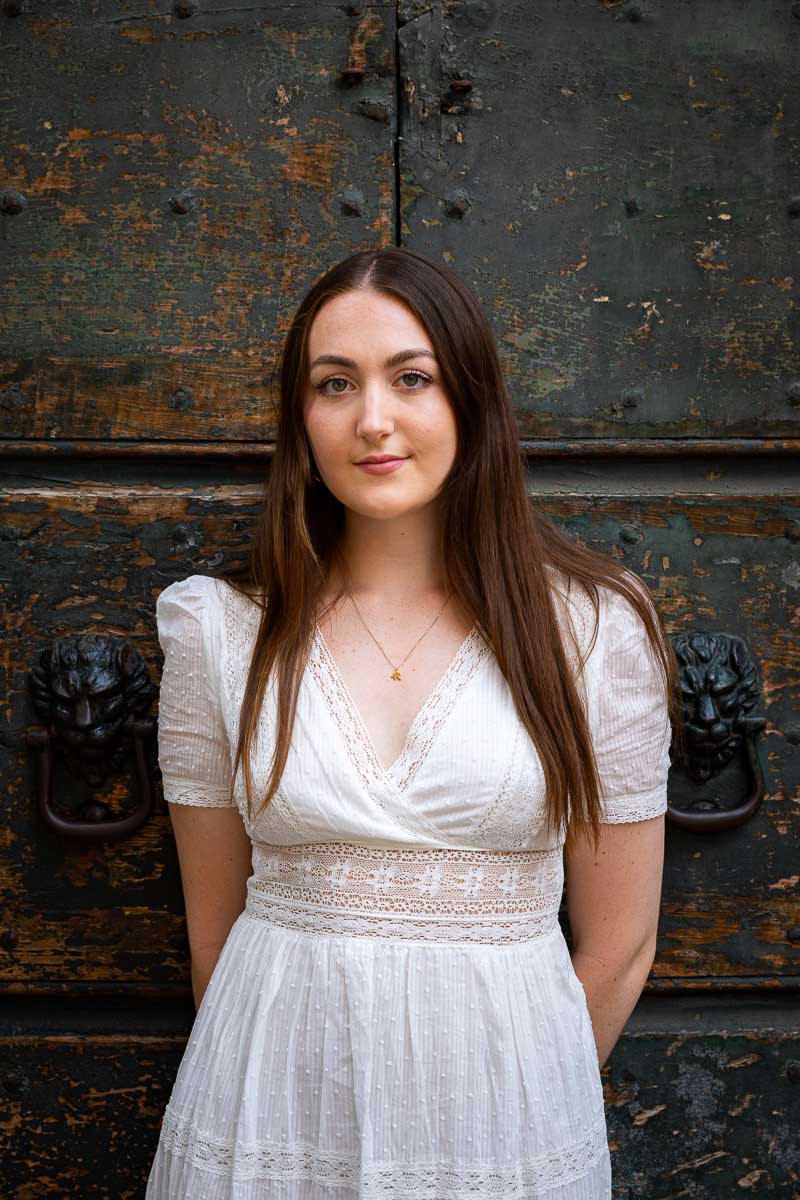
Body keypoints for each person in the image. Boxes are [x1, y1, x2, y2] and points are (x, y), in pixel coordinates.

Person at [146, 246, 685, 1199]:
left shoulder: (592, 631)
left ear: (469, 399)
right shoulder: (222, 633)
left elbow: (619, 943)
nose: (373, 420)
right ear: (299, 418)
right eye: (334, 384)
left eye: (412, 377)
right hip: (266, 1119)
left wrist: (510, 1114)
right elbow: (214, 935)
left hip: (506, 1134)